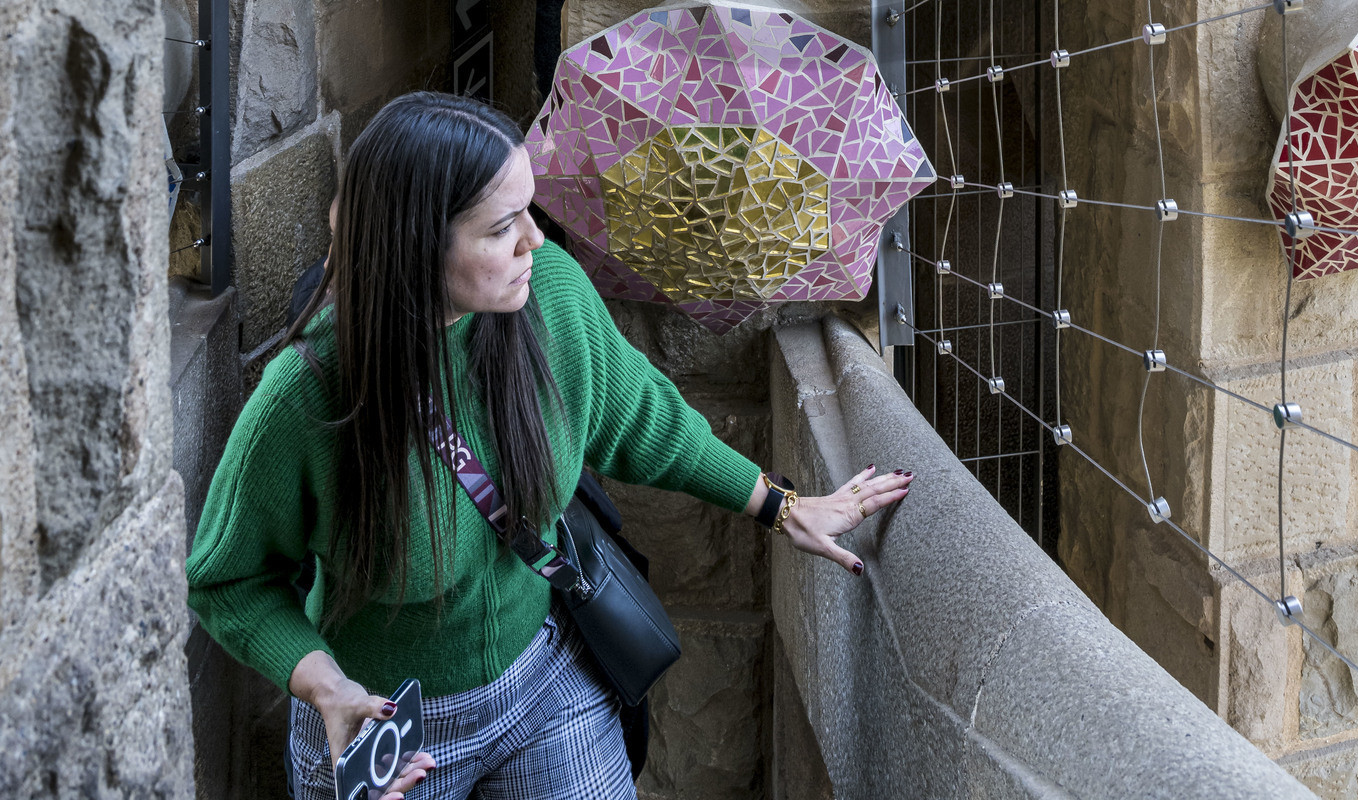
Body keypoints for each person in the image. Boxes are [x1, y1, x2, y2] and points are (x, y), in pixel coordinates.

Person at [188, 93, 912, 799]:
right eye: (504, 227)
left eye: (528, 211)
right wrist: (325, 684)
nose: (536, 239)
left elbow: (646, 423)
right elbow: (228, 578)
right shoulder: (305, 396)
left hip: (545, 679)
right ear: (418, 247)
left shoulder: (551, 298)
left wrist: (783, 508)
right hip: (382, 725)